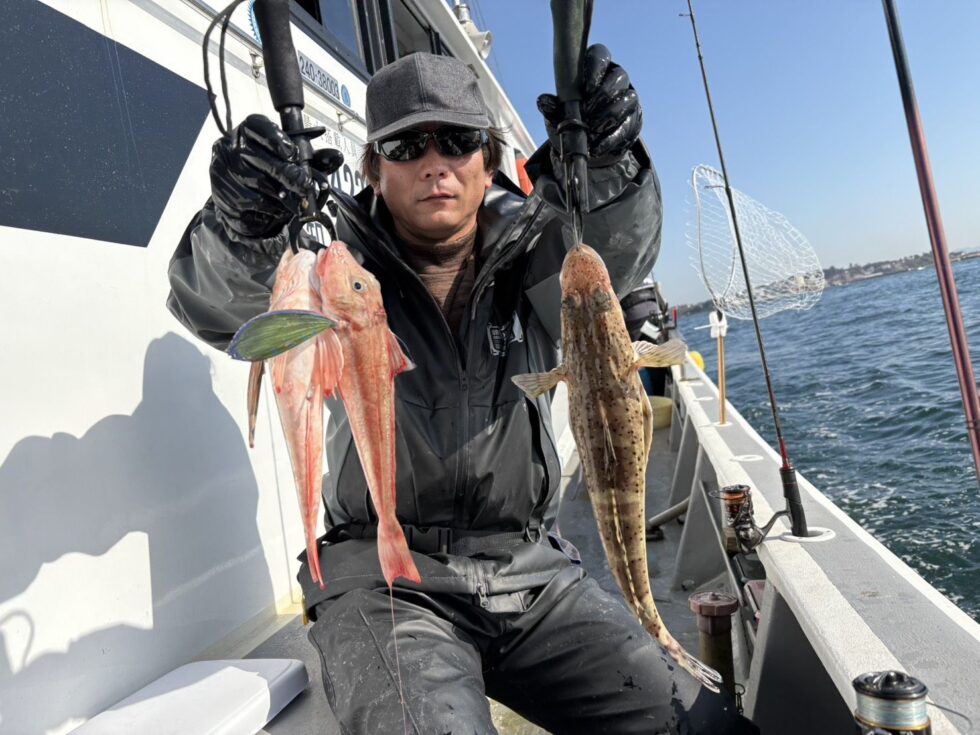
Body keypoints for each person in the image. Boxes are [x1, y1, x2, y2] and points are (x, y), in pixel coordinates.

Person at [168, 48, 757, 734]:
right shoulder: (331, 264)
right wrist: (243, 232)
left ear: (490, 158)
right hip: (386, 582)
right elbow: (224, 308)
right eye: (407, 144)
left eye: (458, 139)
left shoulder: (540, 254)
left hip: (532, 571)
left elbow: (614, 253)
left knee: (698, 725)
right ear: (372, 168)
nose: (435, 162)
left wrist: (610, 165)